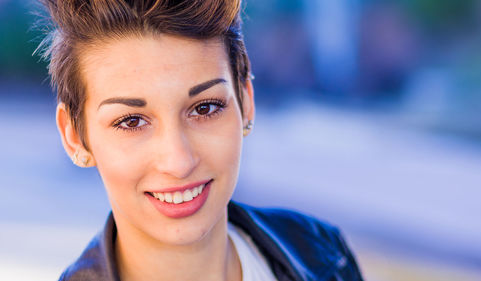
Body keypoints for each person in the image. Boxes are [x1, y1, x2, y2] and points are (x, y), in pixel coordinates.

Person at [37, 0, 364, 280]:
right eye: (131, 121)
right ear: (75, 136)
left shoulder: (324, 256)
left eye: (205, 108)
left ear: (246, 101)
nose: (178, 162)